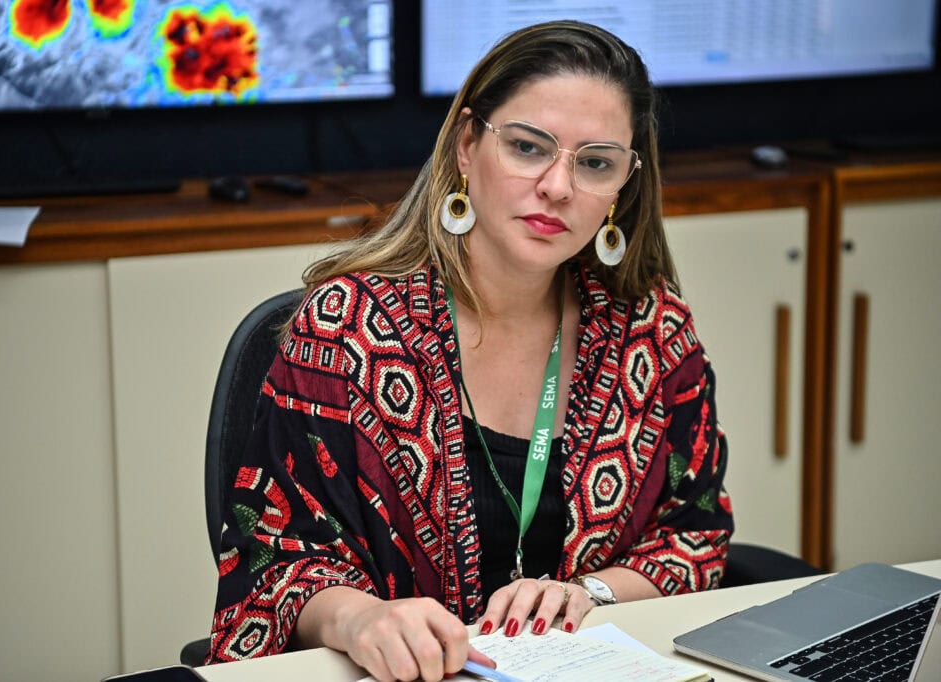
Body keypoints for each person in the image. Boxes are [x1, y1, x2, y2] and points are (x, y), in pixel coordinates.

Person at [206, 20, 733, 681]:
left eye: (595, 162)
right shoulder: (348, 332)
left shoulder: (651, 331)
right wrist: (361, 618)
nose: (558, 187)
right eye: (527, 147)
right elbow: (274, 557)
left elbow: (696, 532)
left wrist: (592, 592)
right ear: (465, 145)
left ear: (622, 184)